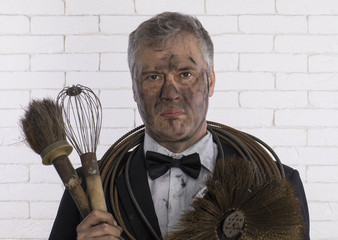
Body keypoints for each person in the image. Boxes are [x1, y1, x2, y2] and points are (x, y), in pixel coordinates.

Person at [49, 12, 310, 240]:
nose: (170, 93)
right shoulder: (86, 187)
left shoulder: (275, 182)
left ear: (211, 81)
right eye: (153, 77)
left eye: (186, 74)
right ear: (134, 88)